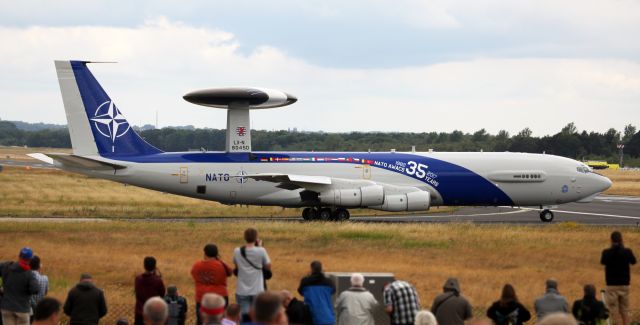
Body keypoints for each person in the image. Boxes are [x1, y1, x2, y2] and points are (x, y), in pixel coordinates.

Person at [233, 228, 272, 318]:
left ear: (244, 237)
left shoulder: (237, 251)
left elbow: (236, 266)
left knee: (244, 317)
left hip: (242, 290)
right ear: (256, 238)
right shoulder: (261, 250)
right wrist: (260, 248)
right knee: (259, 316)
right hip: (258, 289)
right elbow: (268, 266)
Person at [600, 230, 636, 325]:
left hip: (612, 285)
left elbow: (603, 262)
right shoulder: (627, 252)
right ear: (621, 240)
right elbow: (633, 261)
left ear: (611, 240)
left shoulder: (607, 252)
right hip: (624, 284)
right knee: (625, 310)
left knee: (614, 310)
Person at [192, 244, 232, 325]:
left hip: (202, 297)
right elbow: (230, 272)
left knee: (201, 320)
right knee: (221, 320)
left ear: (205, 253)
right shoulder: (221, 265)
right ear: (216, 254)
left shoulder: (197, 265)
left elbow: (193, 274)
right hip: (220, 297)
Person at [0, 247, 39, 325]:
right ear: (30, 260)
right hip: (22, 309)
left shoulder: (6, 266)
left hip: (7, 307)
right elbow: (35, 289)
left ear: (19, 256)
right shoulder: (29, 274)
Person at [298, 261, 336, 325]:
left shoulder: (305, 281)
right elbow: (333, 291)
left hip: (311, 317)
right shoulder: (329, 282)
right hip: (327, 317)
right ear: (321, 269)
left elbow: (300, 292)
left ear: (311, 269)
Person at [135, 257, 166, 325]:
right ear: (154, 266)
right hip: (152, 314)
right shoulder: (157, 280)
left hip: (140, 312)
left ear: (144, 265)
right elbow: (162, 294)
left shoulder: (138, 279)